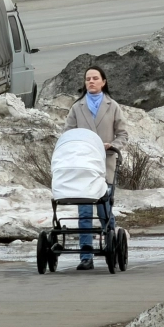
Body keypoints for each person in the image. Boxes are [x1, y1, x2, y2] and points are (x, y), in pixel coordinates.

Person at [63, 66, 129, 270]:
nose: (91, 81)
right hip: (83, 166)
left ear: (103, 82)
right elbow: (68, 134)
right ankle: (86, 255)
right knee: (84, 211)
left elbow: (123, 134)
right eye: (87, 79)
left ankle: (112, 246)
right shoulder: (77, 108)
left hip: (104, 164)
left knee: (103, 209)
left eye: (95, 78)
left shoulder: (113, 106)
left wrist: (112, 145)